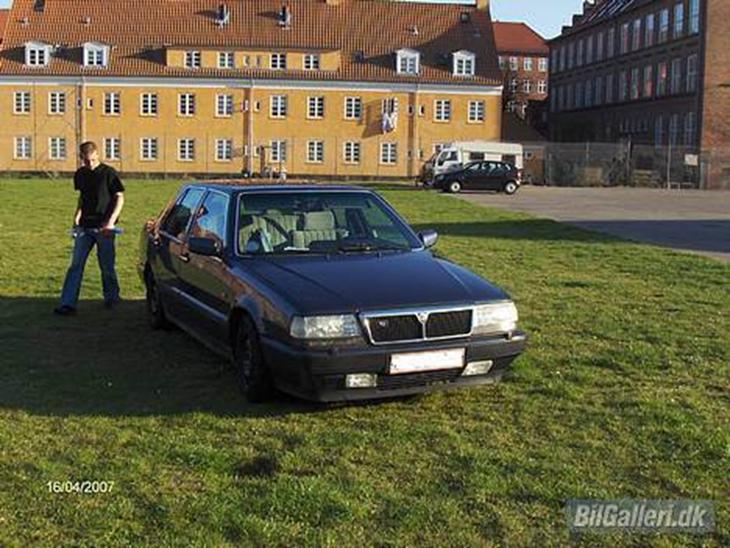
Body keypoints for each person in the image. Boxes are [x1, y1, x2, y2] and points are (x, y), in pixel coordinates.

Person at [54, 141, 125, 316]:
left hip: (104, 228)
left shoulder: (109, 173)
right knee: (75, 265)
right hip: (84, 227)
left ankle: (112, 298)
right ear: (81, 158)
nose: (90, 164)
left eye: (93, 160)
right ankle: (68, 303)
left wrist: (110, 222)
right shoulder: (80, 174)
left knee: (106, 265)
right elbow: (83, 198)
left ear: (97, 155)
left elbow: (119, 197)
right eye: (86, 161)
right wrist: (76, 217)